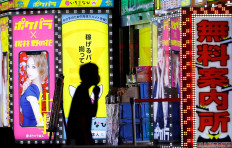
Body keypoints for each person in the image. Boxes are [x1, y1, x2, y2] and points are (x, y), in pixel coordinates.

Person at [67, 63, 100, 145]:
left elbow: (92, 113)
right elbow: (82, 118)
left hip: (79, 136)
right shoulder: (82, 92)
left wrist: (96, 96)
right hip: (80, 137)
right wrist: (86, 139)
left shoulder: (82, 90)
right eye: (96, 73)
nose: (98, 76)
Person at [20, 52, 48, 127]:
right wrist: (23, 92)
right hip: (29, 130)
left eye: (33, 67)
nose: (29, 70)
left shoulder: (31, 90)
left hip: (27, 131)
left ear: (41, 68)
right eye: (28, 66)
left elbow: (40, 121)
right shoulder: (38, 87)